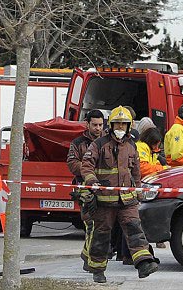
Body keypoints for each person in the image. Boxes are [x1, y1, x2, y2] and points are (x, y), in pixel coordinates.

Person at [79, 106, 158, 283]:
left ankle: (144, 264)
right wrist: (92, 182)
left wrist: (138, 192)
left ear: (129, 126)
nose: (120, 128)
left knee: (135, 229)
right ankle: (97, 270)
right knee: (101, 235)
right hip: (104, 201)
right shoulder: (99, 144)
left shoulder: (131, 146)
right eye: (117, 124)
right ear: (111, 125)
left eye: (124, 124)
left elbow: (136, 172)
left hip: (127, 200)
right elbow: (86, 166)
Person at [66, 109, 106, 271]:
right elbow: (72, 164)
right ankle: (89, 259)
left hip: (104, 187)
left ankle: (88, 254)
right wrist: (90, 168)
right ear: (87, 124)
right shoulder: (78, 143)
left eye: (100, 125)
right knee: (91, 223)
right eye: (95, 125)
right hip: (85, 189)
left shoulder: (107, 142)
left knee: (100, 225)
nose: (98, 128)